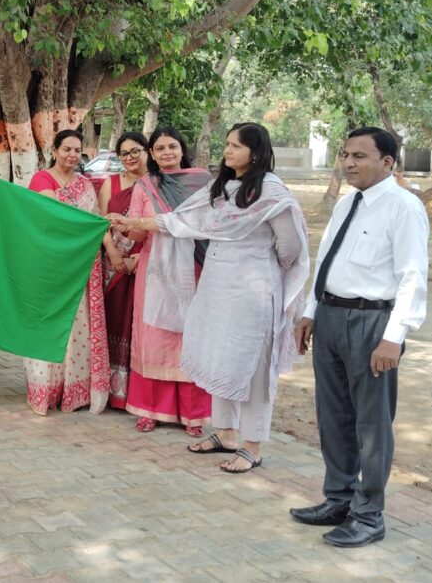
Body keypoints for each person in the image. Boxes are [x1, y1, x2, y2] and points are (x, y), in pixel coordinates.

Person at [116, 123, 309, 473]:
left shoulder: (271, 192)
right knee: (220, 357)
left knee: (253, 367)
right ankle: (226, 434)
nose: (228, 151)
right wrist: (133, 222)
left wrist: (258, 264)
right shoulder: (222, 188)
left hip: (254, 290)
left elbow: (291, 247)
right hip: (217, 288)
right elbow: (181, 222)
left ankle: (252, 445)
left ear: (257, 151)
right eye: (227, 144)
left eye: (236, 145)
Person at [290, 127, 429, 547]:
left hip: (373, 325)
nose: (348, 163)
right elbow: (328, 260)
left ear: (388, 162)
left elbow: (412, 276)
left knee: (372, 423)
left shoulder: (404, 207)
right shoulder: (348, 203)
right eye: (345, 154)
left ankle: (369, 515)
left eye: (360, 156)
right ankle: (338, 498)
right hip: (331, 316)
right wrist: (310, 312)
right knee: (333, 415)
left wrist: (393, 337)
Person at [119, 126, 212, 435]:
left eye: (172, 146)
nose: (166, 153)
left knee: (190, 337)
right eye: (159, 149)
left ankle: (194, 413)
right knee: (153, 337)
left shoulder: (201, 182)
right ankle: (150, 409)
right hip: (154, 270)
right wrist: (123, 227)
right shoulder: (145, 185)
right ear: (152, 154)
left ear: (182, 149)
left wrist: (140, 223)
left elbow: (205, 223)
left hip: (193, 270)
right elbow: (138, 233)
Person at [24, 130, 109, 415]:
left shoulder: (85, 184)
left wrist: (112, 248)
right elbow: (56, 216)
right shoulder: (41, 179)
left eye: (77, 150)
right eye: (67, 149)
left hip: (82, 263)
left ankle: (75, 391)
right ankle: (46, 389)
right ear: (54, 150)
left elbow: (95, 222)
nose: (73, 155)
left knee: (79, 324)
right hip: (51, 264)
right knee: (50, 321)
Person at [98, 132, 148, 410]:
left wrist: (138, 257)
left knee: (137, 326)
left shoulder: (157, 183)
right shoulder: (111, 183)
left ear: (146, 151)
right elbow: (101, 223)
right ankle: (110, 391)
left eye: (135, 151)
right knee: (113, 322)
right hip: (113, 265)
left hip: (145, 264)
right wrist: (115, 252)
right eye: (124, 153)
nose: (130, 158)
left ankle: (137, 394)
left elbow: (159, 225)